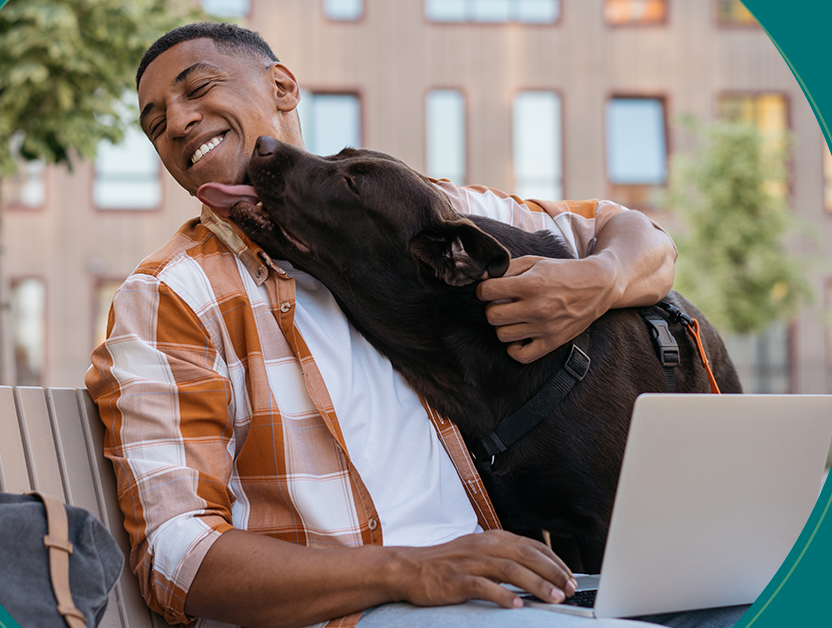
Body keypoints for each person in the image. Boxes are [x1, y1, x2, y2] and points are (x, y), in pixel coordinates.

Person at [87, 22, 744, 628]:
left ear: (281, 87)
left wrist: (600, 279)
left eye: (197, 88)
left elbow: (635, 235)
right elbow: (176, 558)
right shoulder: (172, 296)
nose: (176, 122)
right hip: (362, 611)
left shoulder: (402, 207)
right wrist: (412, 569)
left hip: (503, 592)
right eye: (153, 123)